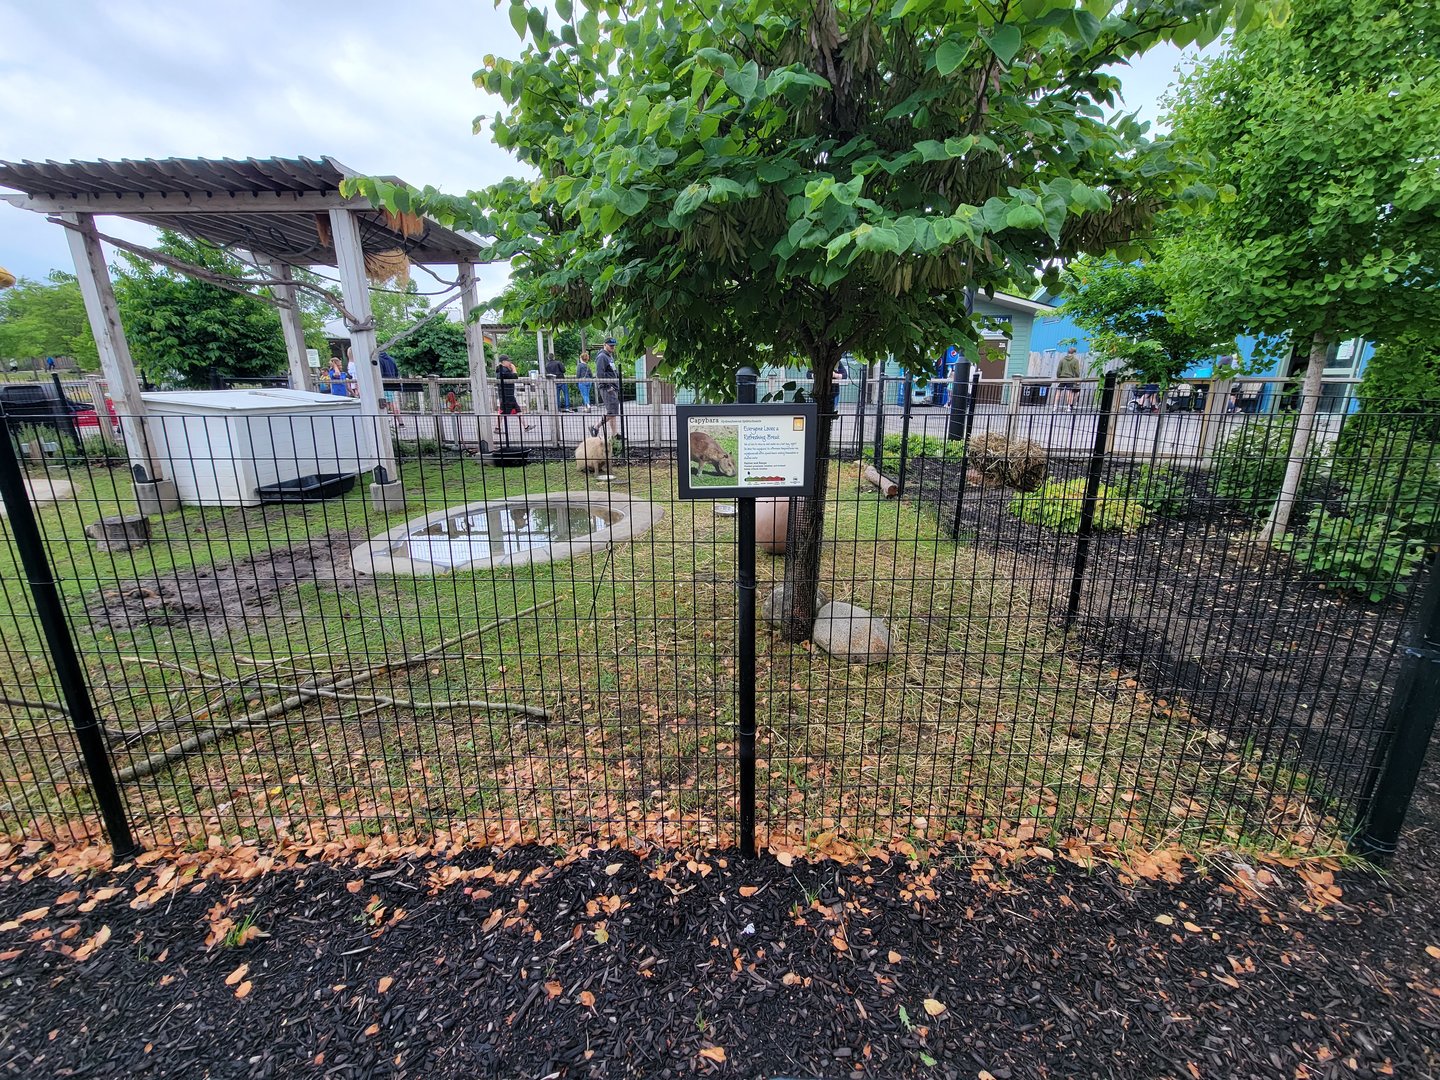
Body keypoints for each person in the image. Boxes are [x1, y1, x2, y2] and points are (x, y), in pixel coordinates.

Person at [591, 337, 621, 441]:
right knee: (612, 411)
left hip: (613, 386)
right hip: (608, 387)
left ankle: (614, 434)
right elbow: (600, 374)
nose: (613, 347)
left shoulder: (609, 356)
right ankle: (596, 427)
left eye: (614, 345)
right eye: (610, 345)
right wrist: (608, 386)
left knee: (613, 411)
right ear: (605, 345)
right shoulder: (602, 357)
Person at [377, 350, 401, 416]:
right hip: (392, 383)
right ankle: (390, 420)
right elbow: (396, 372)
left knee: (389, 404)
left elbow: (380, 373)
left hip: (384, 385)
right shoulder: (392, 359)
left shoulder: (379, 360)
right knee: (389, 402)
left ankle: (399, 420)